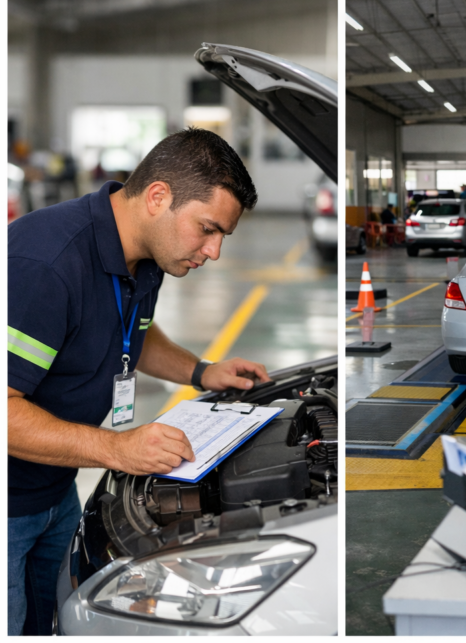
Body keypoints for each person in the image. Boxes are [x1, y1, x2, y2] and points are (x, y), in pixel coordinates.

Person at [7, 127, 272, 635]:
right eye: (208, 228)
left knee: (52, 623)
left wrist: (201, 371)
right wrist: (116, 449)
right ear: (158, 197)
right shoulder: (45, 265)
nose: (213, 251)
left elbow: (131, 334)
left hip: (54, 489)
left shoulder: (144, 256)